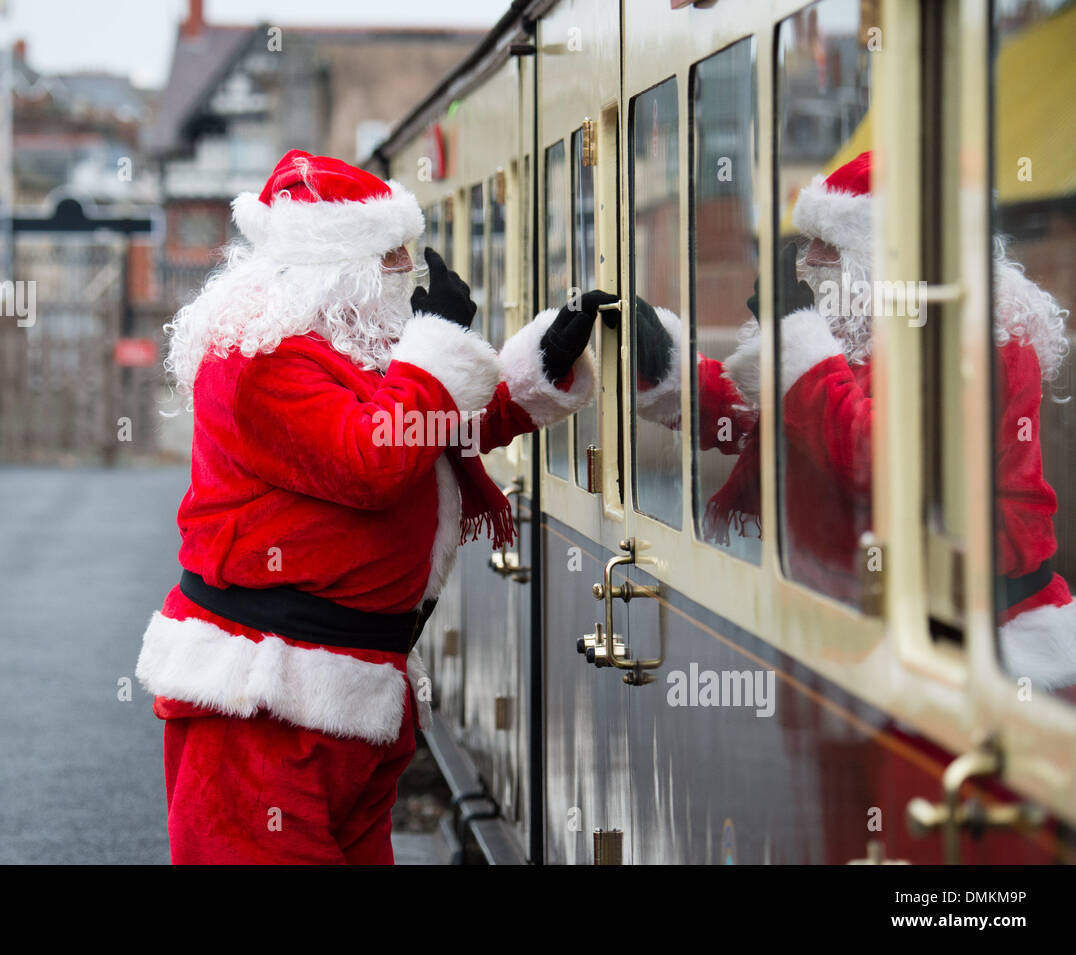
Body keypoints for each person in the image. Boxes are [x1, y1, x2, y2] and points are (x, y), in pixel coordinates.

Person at [136, 149, 617, 863]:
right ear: (337, 263)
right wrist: (434, 349)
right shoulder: (253, 358)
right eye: (390, 253)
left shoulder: (340, 344)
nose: (407, 270)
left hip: (347, 700)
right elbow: (373, 458)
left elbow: (431, 428)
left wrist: (536, 367)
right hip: (264, 707)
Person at [635, 150, 1074, 688]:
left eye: (830, 244)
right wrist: (664, 367)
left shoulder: (986, 343)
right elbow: (764, 416)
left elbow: (880, 459)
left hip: (978, 644)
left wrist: (795, 338)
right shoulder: (869, 330)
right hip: (853, 618)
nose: (810, 259)